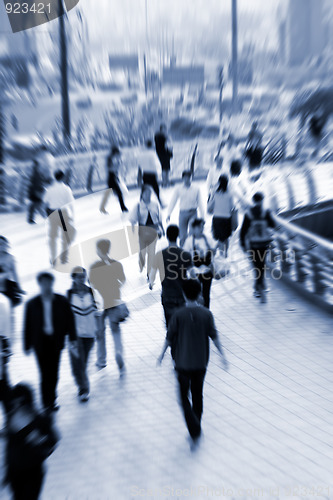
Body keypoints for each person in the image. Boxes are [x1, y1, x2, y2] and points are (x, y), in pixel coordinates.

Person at [157, 279, 228, 444]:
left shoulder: (178, 315)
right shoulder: (206, 314)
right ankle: (197, 423)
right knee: (198, 395)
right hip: (201, 362)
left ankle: (194, 427)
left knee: (183, 397)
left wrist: (161, 355)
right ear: (199, 294)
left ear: (183, 294)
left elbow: (169, 338)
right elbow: (214, 336)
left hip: (182, 363)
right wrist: (222, 355)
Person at [23, 272, 77, 412]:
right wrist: (27, 344)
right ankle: (46, 402)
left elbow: (70, 320)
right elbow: (27, 325)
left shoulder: (61, 301)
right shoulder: (32, 304)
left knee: (54, 372)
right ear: (40, 284)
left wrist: (73, 338)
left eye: (49, 282)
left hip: (55, 341)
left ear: (52, 283)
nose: (46, 286)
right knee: (44, 372)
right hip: (40, 343)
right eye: (44, 283)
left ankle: (52, 399)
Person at [4, 383, 59, 500]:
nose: (17, 407)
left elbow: (52, 441)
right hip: (16, 472)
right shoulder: (12, 418)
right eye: (15, 403)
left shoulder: (40, 419)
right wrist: (8, 471)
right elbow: (10, 448)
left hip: (33, 472)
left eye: (20, 403)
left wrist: (36, 438)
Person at [89, 240, 128, 374]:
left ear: (98, 250)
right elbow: (122, 280)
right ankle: (118, 352)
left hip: (100, 302)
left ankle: (101, 359)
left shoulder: (94, 266)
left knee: (100, 333)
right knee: (115, 330)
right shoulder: (117, 264)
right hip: (114, 300)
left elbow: (91, 284)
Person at [149, 225, 192, 327]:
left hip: (167, 295)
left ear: (167, 236)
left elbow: (153, 273)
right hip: (182, 295)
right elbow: (192, 274)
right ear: (178, 236)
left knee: (170, 325)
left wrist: (151, 283)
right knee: (182, 324)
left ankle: (173, 341)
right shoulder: (185, 254)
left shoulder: (159, 255)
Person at [67, 267, 99, 403]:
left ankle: (82, 383)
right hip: (75, 335)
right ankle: (84, 389)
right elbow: (65, 315)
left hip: (89, 333)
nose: (81, 279)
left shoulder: (90, 291)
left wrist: (99, 330)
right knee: (77, 363)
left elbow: (96, 311)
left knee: (83, 363)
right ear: (73, 278)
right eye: (78, 277)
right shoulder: (69, 294)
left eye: (83, 276)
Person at [240, 192, 276, 303]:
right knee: (262, 265)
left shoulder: (248, 214)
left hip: (253, 244)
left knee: (257, 266)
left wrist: (242, 244)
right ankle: (259, 287)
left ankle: (258, 287)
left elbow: (243, 231)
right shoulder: (266, 212)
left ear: (253, 200)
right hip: (264, 243)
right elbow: (273, 224)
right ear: (262, 200)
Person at [129, 185, 164, 278]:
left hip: (154, 229)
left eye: (150, 193)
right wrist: (132, 233)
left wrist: (162, 228)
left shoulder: (155, 204)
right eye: (146, 193)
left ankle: (149, 273)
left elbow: (160, 218)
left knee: (152, 253)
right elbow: (132, 219)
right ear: (142, 194)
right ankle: (141, 263)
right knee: (142, 252)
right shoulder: (138, 205)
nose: (148, 195)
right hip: (142, 231)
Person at [43, 170, 75, 266]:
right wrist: (72, 215)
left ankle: (53, 258)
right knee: (65, 236)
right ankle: (64, 257)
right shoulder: (66, 189)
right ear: (63, 177)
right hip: (64, 213)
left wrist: (45, 215)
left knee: (52, 237)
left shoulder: (49, 189)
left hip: (53, 214)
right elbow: (71, 204)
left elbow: (45, 203)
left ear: (54, 177)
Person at [183, 219, 216, 309]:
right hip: (195, 272)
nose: (201, 229)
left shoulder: (208, 239)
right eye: (199, 227)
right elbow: (185, 256)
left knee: (206, 294)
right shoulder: (189, 241)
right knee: (195, 294)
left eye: (202, 227)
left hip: (207, 271)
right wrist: (189, 269)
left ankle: (206, 312)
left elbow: (214, 250)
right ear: (193, 228)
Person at [166, 170, 205, 247]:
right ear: (183, 178)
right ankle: (182, 252)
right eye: (185, 178)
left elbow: (200, 202)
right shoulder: (178, 189)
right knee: (182, 235)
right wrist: (168, 214)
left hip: (193, 213)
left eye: (189, 177)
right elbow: (173, 201)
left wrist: (203, 217)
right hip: (182, 213)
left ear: (191, 178)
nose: (187, 179)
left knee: (192, 233)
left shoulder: (196, 189)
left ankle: (191, 251)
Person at [208, 175, 234, 258]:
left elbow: (209, 206)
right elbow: (232, 207)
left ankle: (220, 254)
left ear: (219, 182)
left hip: (217, 218)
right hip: (227, 218)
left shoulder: (215, 193)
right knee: (226, 237)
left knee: (219, 239)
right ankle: (225, 254)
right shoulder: (230, 194)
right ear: (227, 183)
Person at [99, 146, 128, 214]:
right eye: (118, 153)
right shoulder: (110, 159)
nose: (119, 155)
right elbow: (109, 169)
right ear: (115, 153)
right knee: (119, 193)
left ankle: (102, 207)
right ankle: (123, 208)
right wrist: (117, 165)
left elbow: (115, 169)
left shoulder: (113, 158)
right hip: (111, 177)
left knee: (109, 193)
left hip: (113, 177)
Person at [137, 140, 162, 204]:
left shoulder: (141, 154)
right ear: (151, 145)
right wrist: (158, 173)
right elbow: (155, 164)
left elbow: (139, 165)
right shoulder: (152, 153)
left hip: (145, 173)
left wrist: (139, 176)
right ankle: (159, 201)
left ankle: (141, 201)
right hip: (152, 173)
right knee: (156, 188)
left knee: (144, 188)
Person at [0, 293, 11, 418]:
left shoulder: (2, 302)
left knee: (3, 385)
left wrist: (6, 349)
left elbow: (4, 333)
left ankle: (10, 418)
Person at [27, 160, 47, 225]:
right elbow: (38, 183)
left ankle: (31, 218)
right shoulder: (36, 173)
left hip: (35, 191)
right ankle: (46, 217)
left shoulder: (35, 173)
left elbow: (36, 183)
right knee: (37, 206)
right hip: (36, 191)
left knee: (35, 205)